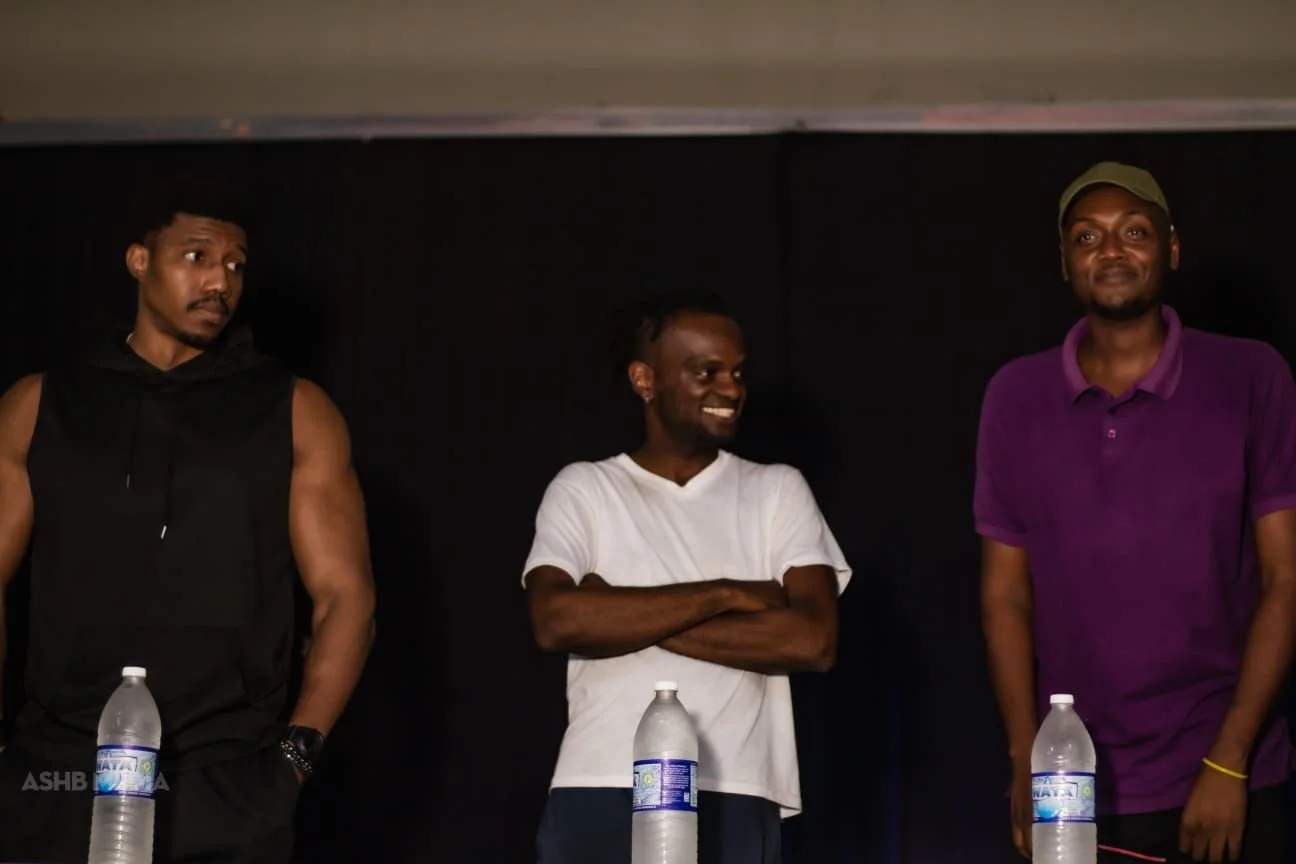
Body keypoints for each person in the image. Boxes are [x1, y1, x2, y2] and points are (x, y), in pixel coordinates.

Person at [0, 175, 378, 863]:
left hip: (226, 771)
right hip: (56, 766)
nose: (220, 282)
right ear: (139, 260)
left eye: (235, 265)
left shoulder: (292, 407)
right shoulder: (40, 403)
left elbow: (346, 596)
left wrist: (294, 756)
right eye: (197, 256)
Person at [975, 161, 1296, 864]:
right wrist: (1027, 756)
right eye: (1088, 237)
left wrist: (1229, 761)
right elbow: (1004, 593)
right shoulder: (1015, 394)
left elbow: (1285, 580)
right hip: (1073, 777)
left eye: (1135, 231)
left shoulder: (1251, 376)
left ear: (1171, 248)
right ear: (1064, 262)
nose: (1112, 250)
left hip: (1225, 772)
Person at [521, 292, 851, 864]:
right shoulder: (584, 488)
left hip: (738, 786)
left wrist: (617, 615)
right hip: (601, 779)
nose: (731, 389)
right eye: (707, 372)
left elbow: (812, 640)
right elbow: (555, 620)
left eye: (738, 372)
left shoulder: (777, 489)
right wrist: (730, 595)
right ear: (645, 379)